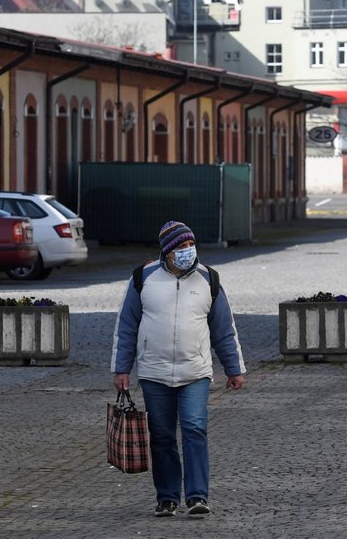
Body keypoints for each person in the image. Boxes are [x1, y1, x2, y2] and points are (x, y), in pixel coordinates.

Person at [111, 220, 245, 518]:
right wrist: (121, 369)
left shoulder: (209, 279)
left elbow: (224, 329)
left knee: (195, 428)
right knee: (161, 435)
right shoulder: (142, 278)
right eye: (181, 246)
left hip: (195, 370)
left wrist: (234, 369)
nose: (188, 251)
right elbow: (126, 327)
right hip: (154, 372)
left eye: (190, 244)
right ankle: (167, 498)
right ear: (167, 251)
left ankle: (197, 496)